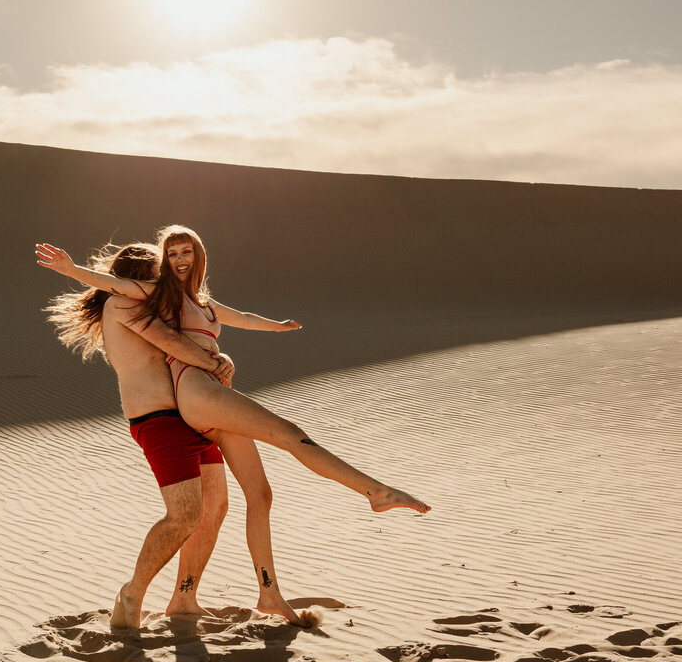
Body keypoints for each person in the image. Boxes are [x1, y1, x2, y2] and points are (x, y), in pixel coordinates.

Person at [39, 226, 429, 551]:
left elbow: (240, 316)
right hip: (183, 400)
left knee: (237, 500)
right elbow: (129, 299)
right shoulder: (142, 299)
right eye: (163, 261)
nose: (170, 268)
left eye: (180, 256)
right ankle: (373, 492)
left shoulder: (195, 299)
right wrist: (73, 270)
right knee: (282, 444)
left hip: (196, 400)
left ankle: (202, 598)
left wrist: (276, 326)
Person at [43, 243, 319, 628]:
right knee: (184, 515)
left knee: (214, 508)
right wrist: (217, 363)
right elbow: (172, 344)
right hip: (157, 420)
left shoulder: (153, 305)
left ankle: (184, 598)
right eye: (157, 272)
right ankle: (133, 592)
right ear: (138, 277)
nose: (164, 279)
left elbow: (205, 326)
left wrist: (224, 356)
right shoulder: (122, 305)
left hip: (191, 416)